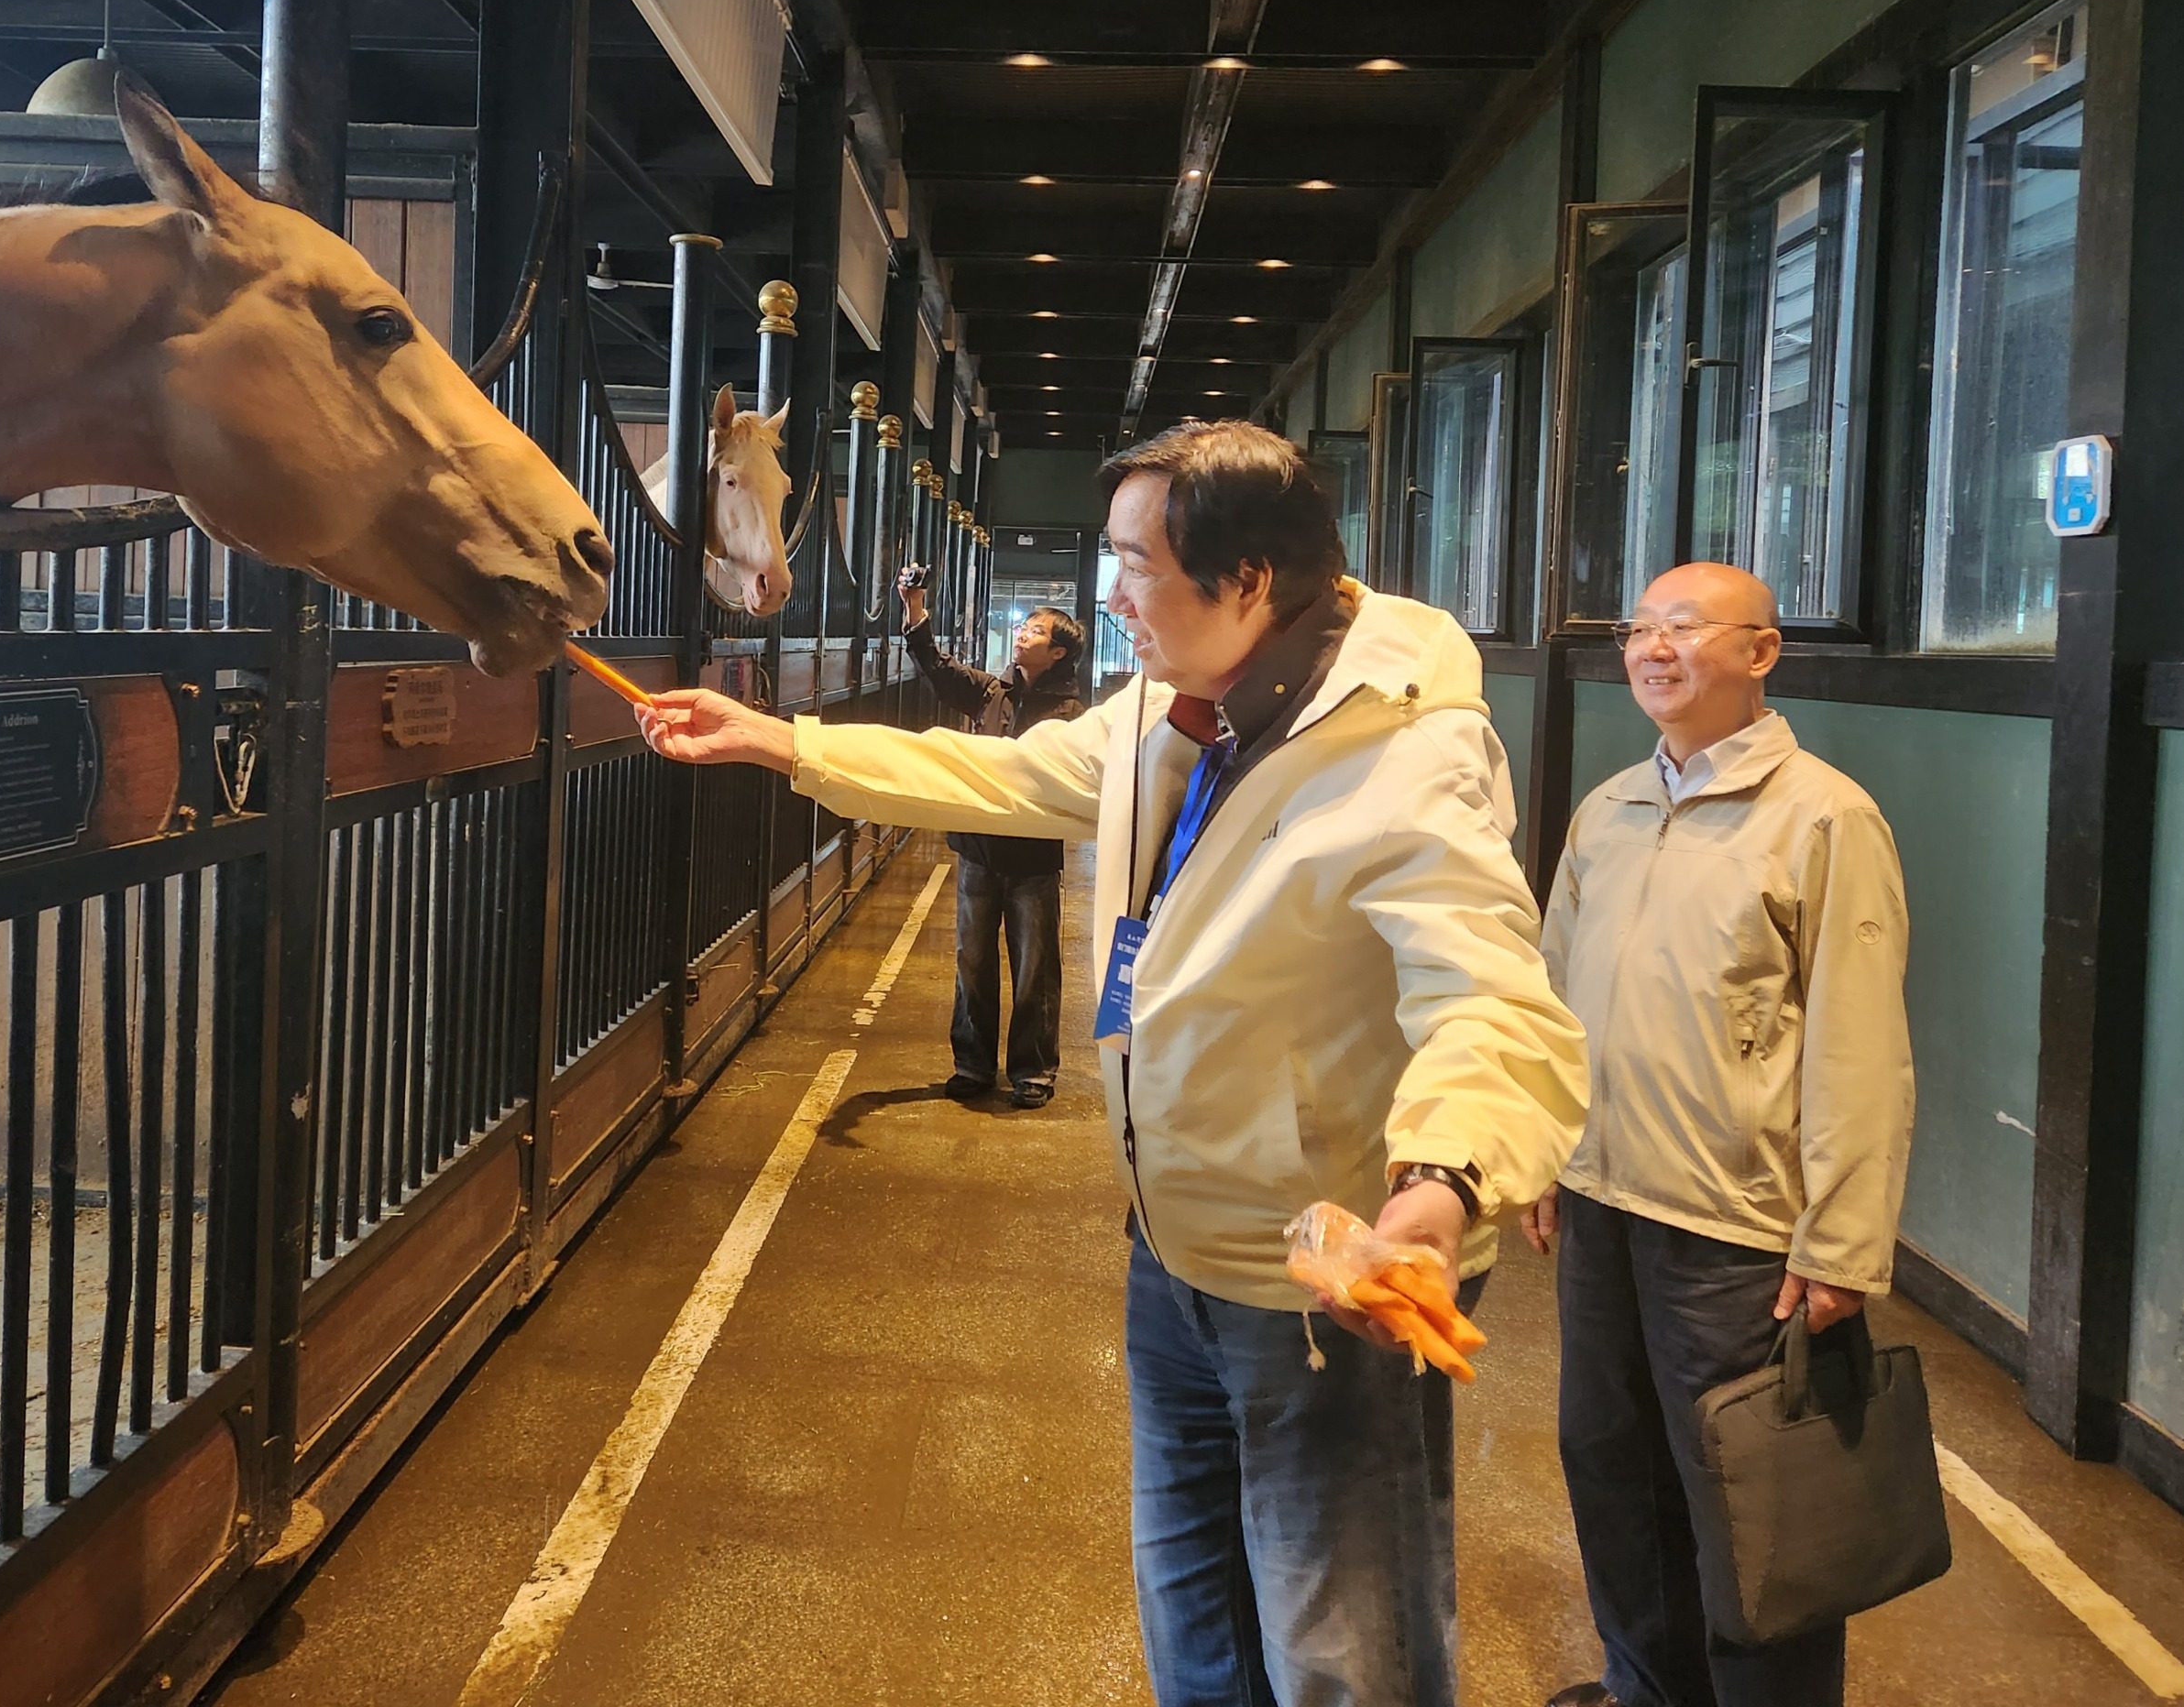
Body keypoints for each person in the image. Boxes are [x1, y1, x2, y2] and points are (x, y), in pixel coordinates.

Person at [637, 421, 1586, 1707]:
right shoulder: (1166, 712)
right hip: (1167, 1255)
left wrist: (1434, 1190)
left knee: (1343, 1650)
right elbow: (999, 773)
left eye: (1138, 565)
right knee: (1191, 1610)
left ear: (1246, 579)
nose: (1112, 597)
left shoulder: (1404, 753)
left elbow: (1488, 1003)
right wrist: (780, 741)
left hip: (1319, 1288)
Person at [1525, 563, 1914, 1707]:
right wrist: (1541, 1145)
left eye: (1683, 627)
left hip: (1733, 1229)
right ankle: (1646, 1689)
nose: (1652, 647)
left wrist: (1840, 1242)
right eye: (1639, 629)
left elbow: (1858, 1047)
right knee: (1610, 1472)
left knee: (1751, 1507)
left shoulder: (1824, 816)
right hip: (1602, 1203)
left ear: (1760, 652)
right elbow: (1549, 996)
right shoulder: (1607, 808)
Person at [900, 585, 1087, 1108]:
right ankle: (973, 1064)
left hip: (1033, 859)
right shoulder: (990, 691)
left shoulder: (1070, 712)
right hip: (978, 853)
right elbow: (936, 667)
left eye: (1035, 631)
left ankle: (1034, 1070)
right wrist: (915, 609)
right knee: (972, 961)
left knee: (1035, 968)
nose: (1023, 633)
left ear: (1057, 654)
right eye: (1025, 625)